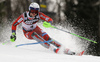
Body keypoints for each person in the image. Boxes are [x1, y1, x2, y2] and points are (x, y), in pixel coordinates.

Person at [10, 2, 75, 55]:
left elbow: (49, 19)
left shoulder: (39, 14)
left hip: (35, 28)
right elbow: (14, 24)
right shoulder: (24, 16)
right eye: (32, 11)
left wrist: (49, 23)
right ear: (29, 10)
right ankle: (52, 48)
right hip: (27, 32)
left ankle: (64, 49)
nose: (34, 13)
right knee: (34, 34)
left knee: (47, 38)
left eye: (36, 11)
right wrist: (13, 34)